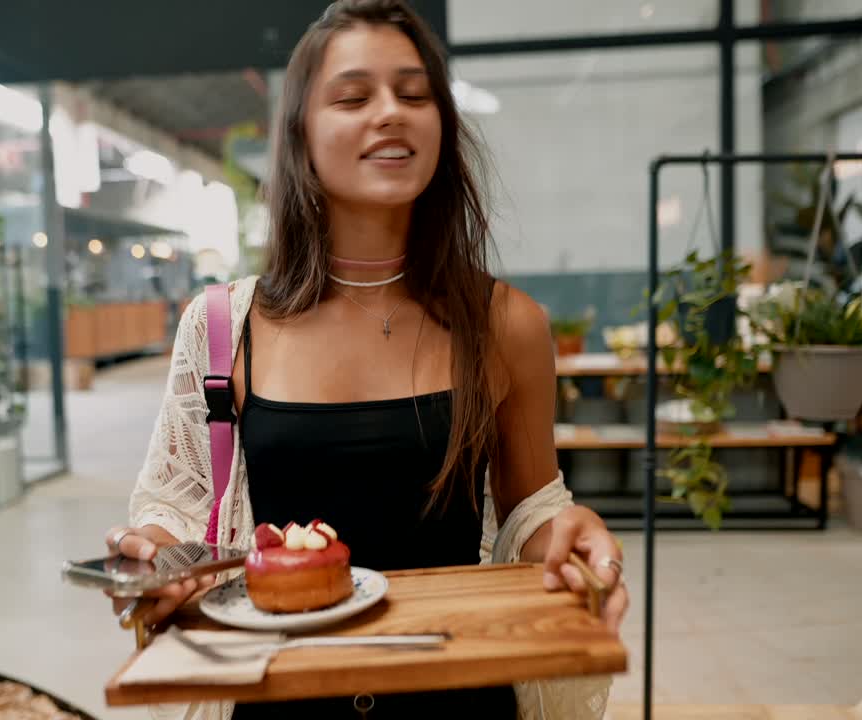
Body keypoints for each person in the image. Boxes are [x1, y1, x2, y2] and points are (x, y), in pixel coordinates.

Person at [105, 1, 629, 717]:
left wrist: (571, 537)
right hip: (282, 700)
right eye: (353, 96)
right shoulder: (225, 326)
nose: (390, 113)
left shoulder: (506, 323)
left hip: (459, 699)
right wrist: (155, 560)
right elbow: (183, 511)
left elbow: (528, 515)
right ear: (300, 134)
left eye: (414, 95)